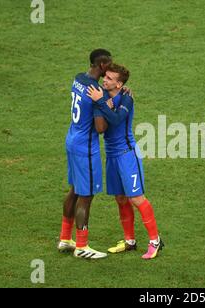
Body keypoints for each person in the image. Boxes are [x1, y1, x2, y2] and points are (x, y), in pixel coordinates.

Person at [87, 63, 164, 259]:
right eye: (105, 76)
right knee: (120, 199)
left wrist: (101, 103)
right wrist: (102, 102)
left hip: (127, 155)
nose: (104, 80)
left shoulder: (127, 98)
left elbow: (115, 120)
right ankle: (129, 240)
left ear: (119, 84)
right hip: (112, 155)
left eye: (110, 79)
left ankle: (155, 241)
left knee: (136, 198)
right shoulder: (103, 95)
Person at [57, 49, 113, 259]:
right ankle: (82, 246)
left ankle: (65, 238)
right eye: (109, 64)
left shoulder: (79, 78)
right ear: (102, 65)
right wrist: (102, 102)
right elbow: (100, 128)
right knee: (86, 195)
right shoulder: (95, 92)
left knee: (74, 190)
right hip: (86, 148)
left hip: (71, 139)